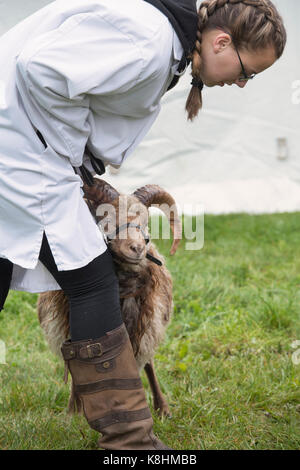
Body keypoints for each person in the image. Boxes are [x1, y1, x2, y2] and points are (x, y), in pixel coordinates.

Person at [0, 0, 286, 450]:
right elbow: (40, 68)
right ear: (222, 41)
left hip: (23, 148)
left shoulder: (162, 40)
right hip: (22, 152)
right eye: (247, 70)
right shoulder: (150, 42)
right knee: (93, 280)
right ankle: (130, 444)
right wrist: (66, 150)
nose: (243, 82)